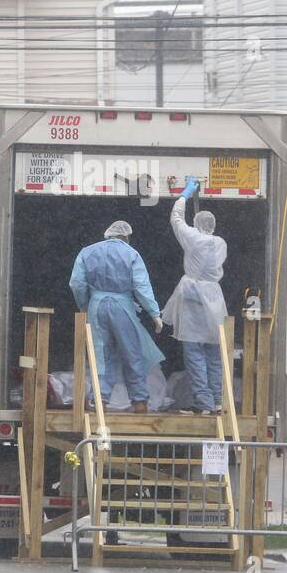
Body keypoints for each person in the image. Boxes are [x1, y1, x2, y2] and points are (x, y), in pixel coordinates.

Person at [69, 220, 165, 413]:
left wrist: (84, 306)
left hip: (96, 307)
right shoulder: (132, 254)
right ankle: (139, 402)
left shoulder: (87, 252)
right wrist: (154, 313)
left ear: (108, 234)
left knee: (102, 356)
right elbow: (141, 286)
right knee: (132, 353)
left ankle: (100, 400)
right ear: (126, 237)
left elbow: (77, 283)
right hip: (123, 307)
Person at [162, 176, 229, 415]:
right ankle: (218, 401)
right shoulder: (220, 243)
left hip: (192, 297)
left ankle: (204, 403)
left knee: (194, 354)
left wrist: (185, 194)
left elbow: (176, 218)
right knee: (213, 352)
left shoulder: (193, 238)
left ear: (197, 223)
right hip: (214, 299)